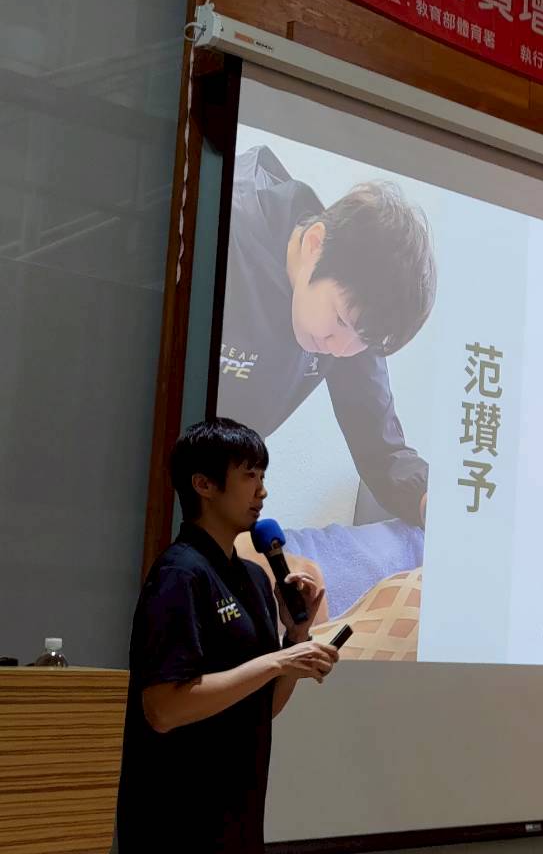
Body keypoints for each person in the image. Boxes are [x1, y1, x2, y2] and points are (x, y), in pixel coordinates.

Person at [114, 419, 338, 853]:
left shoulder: (254, 578)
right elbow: (163, 710)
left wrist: (295, 638)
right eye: (249, 475)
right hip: (176, 823)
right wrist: (277, 662)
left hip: (238, 820)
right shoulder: (180, 573)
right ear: (203, 484)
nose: (262, 492)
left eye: (263, 476)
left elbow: (262, 708)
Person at [218, 145, 438, 528]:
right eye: (339, 320)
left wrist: (432, 503)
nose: (342, 348)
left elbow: (381, 447)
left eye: (363, 342)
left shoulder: (354, 329)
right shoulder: (228, 232)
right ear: (313, 244)